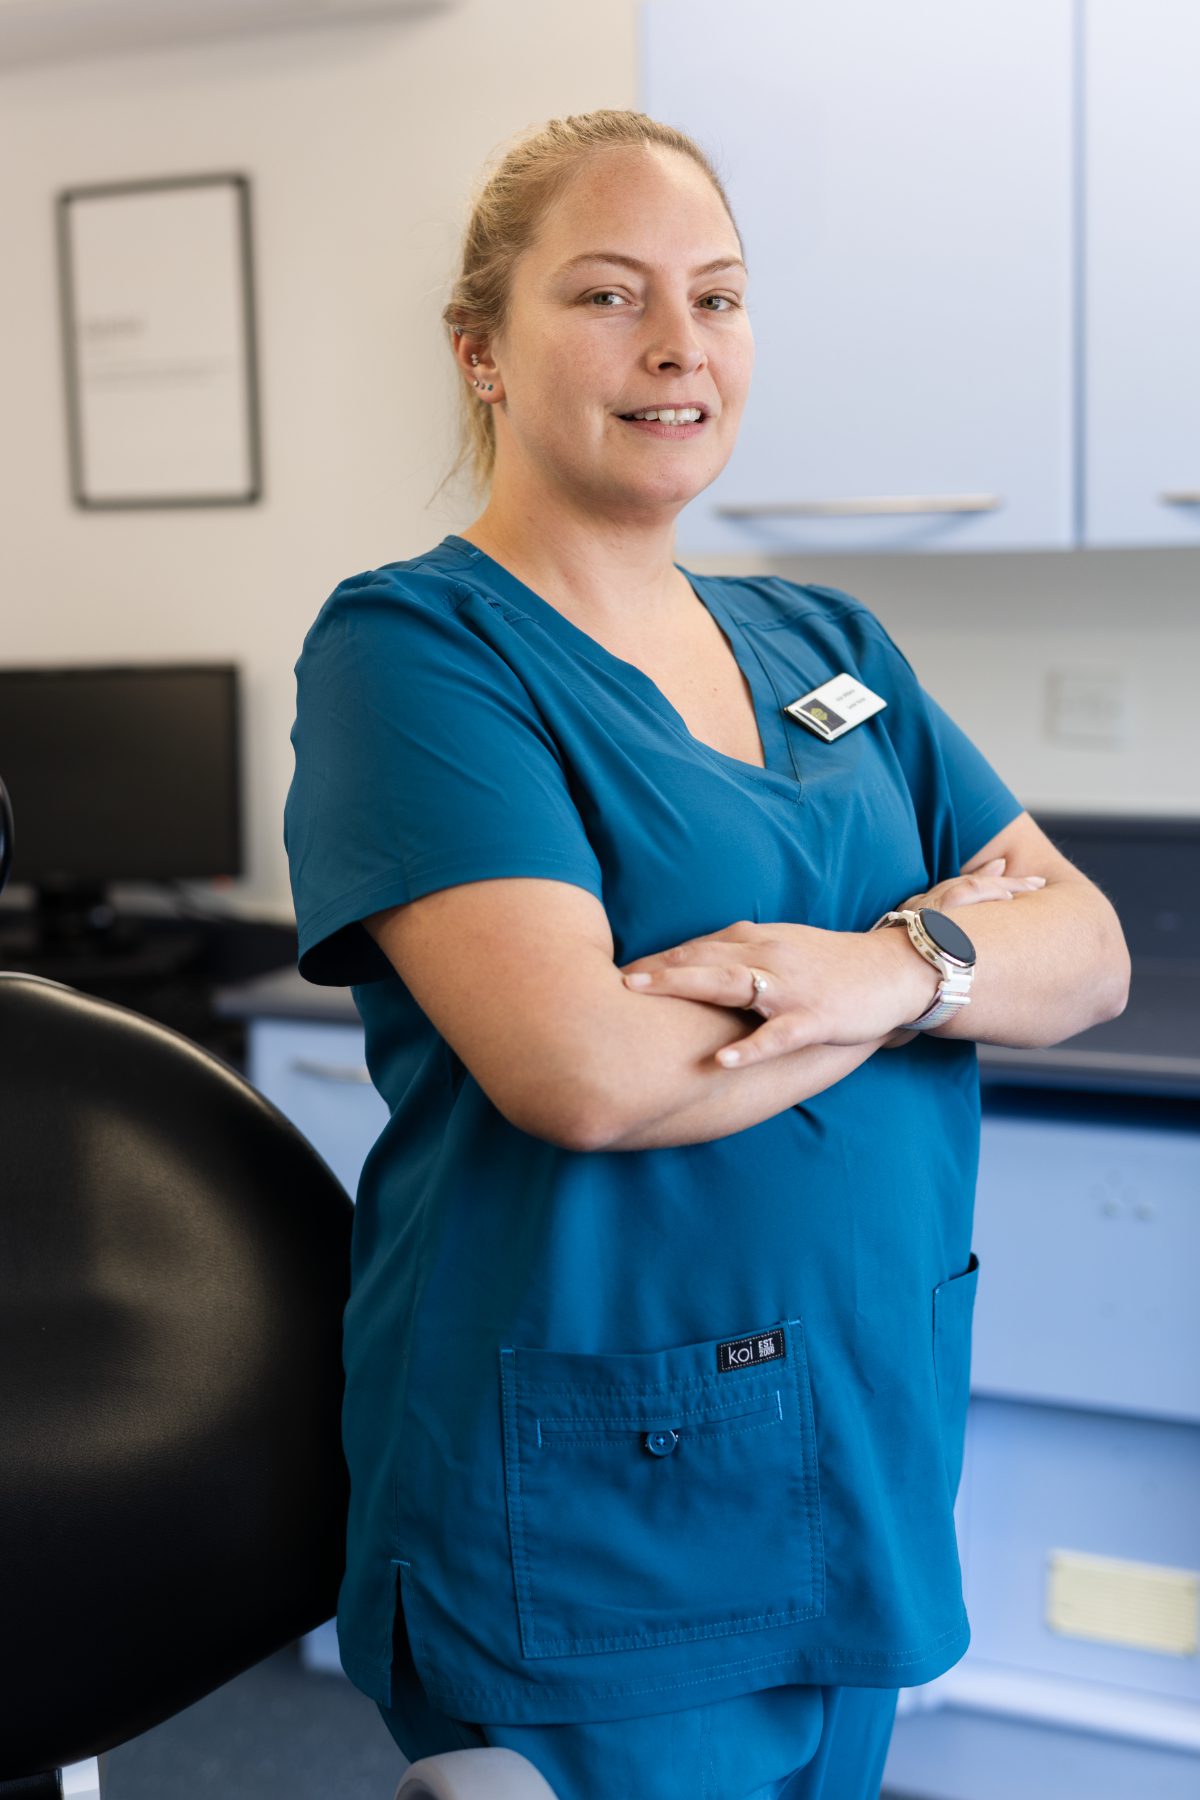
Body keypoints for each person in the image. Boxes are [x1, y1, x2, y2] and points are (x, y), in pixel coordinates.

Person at [283, 109, 1130, 1800]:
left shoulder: (830, 644)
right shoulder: (417, 652)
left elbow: (1091, 948)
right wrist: (965, 959)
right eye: (607, 296)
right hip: (598, 1492)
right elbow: (583, 1071)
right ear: (484, 354)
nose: (679, 347)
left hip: (858, 1439)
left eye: (719, 298)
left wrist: (887, 972)